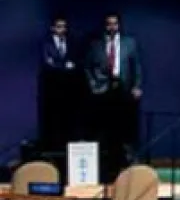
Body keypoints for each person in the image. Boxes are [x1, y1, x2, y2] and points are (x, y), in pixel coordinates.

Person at [85, 12, 143, 170]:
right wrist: (93, 85)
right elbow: (88, 67)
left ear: (119, 25)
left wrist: (137, 86)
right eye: (109, 24)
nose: (112, 27)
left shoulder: (129, 43)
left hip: (123, 89)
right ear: (105, 26)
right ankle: (105, 161)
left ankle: (129, 160)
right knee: (104, 128)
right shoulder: (95, 44)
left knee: (126, 128)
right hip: (102, 91)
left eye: (115, 24)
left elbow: (136, 66)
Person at [39, 15, 78, 149]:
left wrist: (61, 65)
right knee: (52, 120)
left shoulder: (71, 42)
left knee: (68, 120)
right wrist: (63, 66)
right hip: (52, 88)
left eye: (64, 27)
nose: (62, 30)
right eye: (59, 27)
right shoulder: (46, 44)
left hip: (68, 88)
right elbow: (48, 64)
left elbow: (74, 63)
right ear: (53, 28)